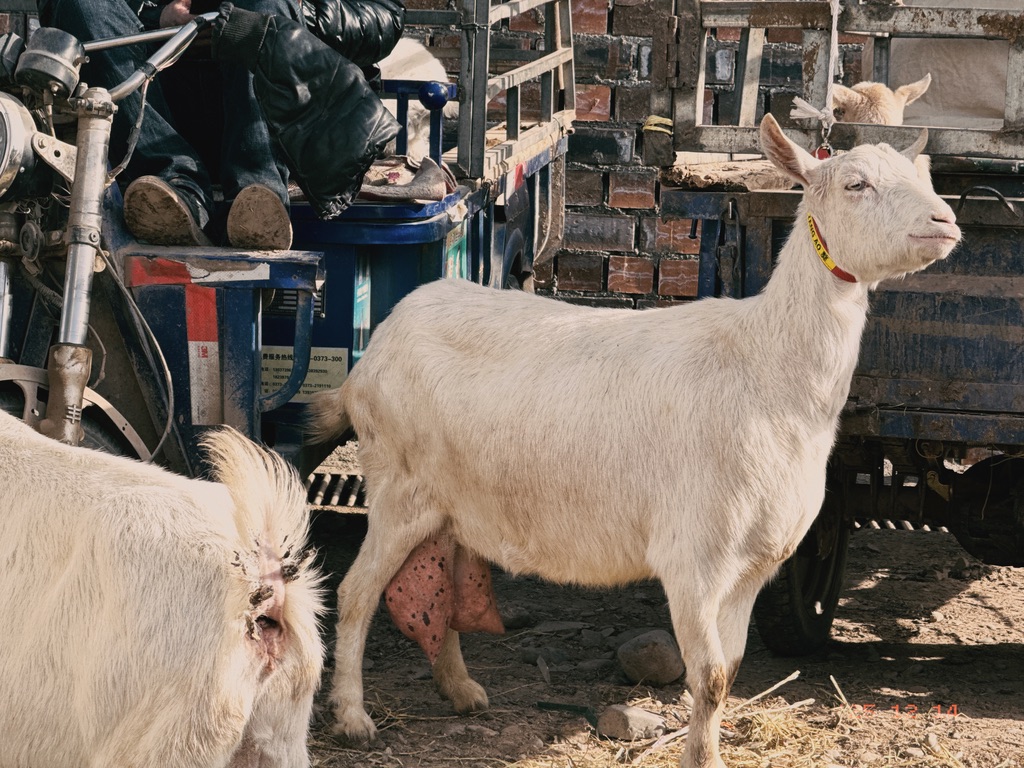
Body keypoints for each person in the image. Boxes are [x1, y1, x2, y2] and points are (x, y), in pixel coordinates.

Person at [37, 0, 299, 249]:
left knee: (265, 7)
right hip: (149, 104)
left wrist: (233, 21)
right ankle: (177, 190)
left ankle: (257, 204)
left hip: (252, 103)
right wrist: (156, 17)